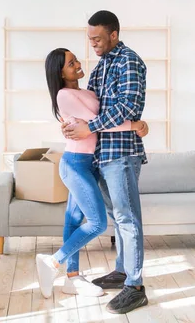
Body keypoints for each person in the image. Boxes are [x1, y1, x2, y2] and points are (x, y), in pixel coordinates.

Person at [35, 47, 149, 300]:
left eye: (75, 59)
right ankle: (54, 262)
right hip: (75, 162)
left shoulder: (84, 90)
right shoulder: (64, 95)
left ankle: (72, 278)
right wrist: (136, 125)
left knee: (73, 220)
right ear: (60, 72)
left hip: (91, 162)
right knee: (97, 222)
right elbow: (99, 121)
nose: (76, 64)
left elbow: (98, 120)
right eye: (70, 63)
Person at [62, 10, 149, 314]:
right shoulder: (101, 66)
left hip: (122, 153)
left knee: (127, 217)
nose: (93, 44)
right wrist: (72, 123)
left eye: (98, 38)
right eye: (90, 39)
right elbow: (90, 108)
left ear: (114, 34)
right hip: (101, 154)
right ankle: (122, 271)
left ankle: (136, 286)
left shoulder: (129, 61)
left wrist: (91, 127)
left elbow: (127, 107)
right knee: (117, 216)